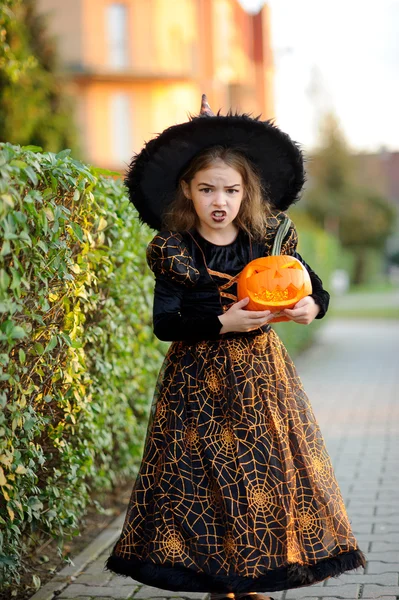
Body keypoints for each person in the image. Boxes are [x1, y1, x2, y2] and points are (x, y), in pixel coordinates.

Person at [104, 95, 366, 599]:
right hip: (195, 383)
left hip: (259, 382)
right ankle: (218, 581)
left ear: (246, 192)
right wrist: (223, 321)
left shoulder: (267, 241)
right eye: (207, 190)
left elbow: (313, 290)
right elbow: (166, 323)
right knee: (202, 482)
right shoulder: (174, 249)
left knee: (261, 477)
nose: (219, 200)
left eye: (230, 189)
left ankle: (253, 581)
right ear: (188, 191)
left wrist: (313, 308)